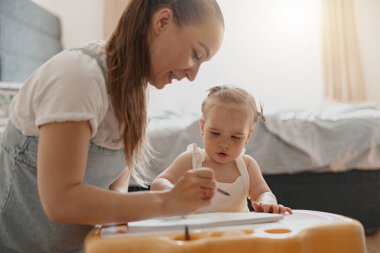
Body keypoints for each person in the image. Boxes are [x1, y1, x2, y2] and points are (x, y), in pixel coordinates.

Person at [0, 1, 224, 252]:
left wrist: (117, 214)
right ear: (162, 22)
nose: (192, 75)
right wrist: (166, 202)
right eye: (195, 54)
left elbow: (117, 173)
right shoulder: (80, 76)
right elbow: (60, 201)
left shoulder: (135, 92)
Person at [151, 85, 292, 214]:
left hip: (238, 235)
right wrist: (173, 191)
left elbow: (262, 192)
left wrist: (268, 202)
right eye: (215, 133)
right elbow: (157, 183)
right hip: (198, 235)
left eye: (235, 137)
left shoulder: (247, 166)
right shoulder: (191, 160)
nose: (224, 143)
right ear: (202, 127)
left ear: (248, 136)